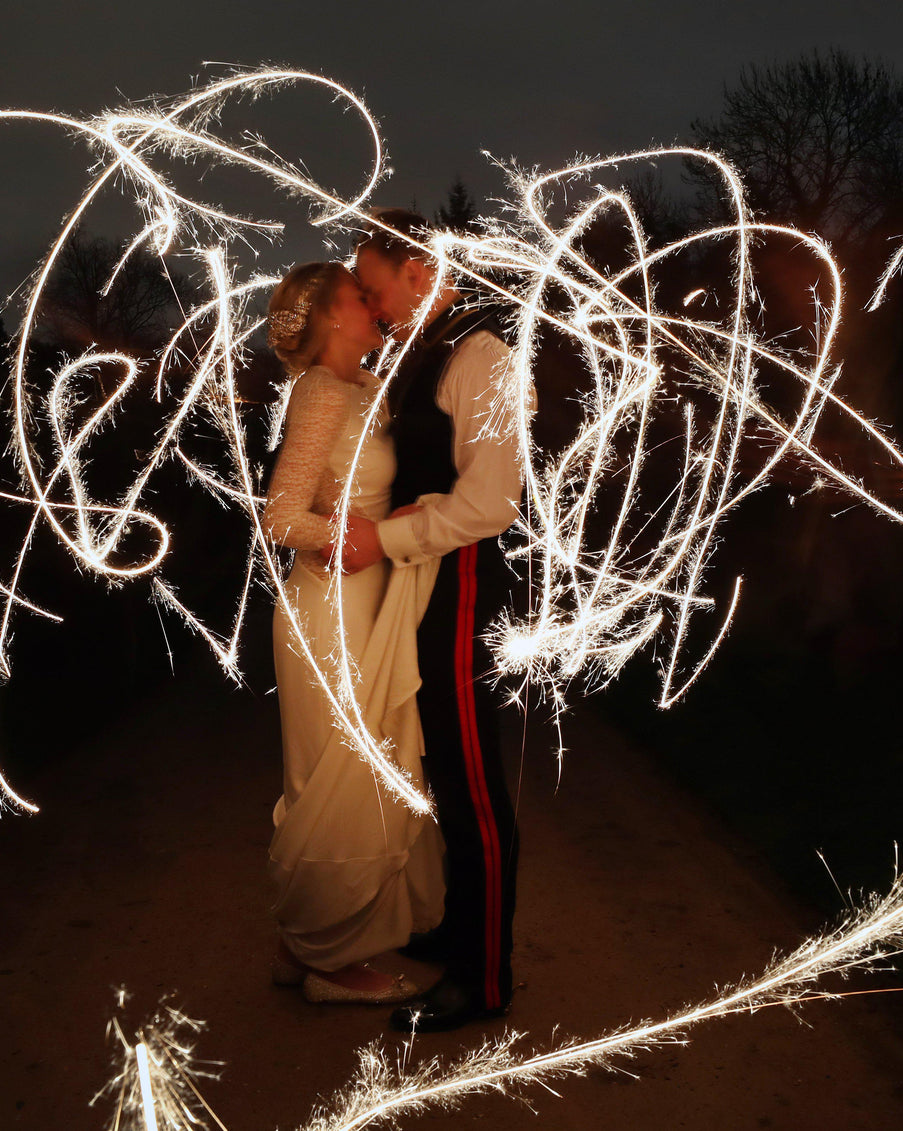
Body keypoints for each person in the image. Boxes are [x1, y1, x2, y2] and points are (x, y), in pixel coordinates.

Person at [339, 208, 525, 1031]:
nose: (369, 305)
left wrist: (383, 538)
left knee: (472, 780)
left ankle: (483, 980)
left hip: (463, 586)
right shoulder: (425, 349)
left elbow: (491, 501)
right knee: (443, 769)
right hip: (428, 584)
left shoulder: (480, 353)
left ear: (418, 268)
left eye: (374, 287)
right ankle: (459, 928)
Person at [261, 262, 445, 1005]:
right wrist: (353, 535)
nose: (372, 306)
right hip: (329, 608)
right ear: (330, 316)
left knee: (354, 772)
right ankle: (331, 963)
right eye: (357, 298)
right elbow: (281, 516)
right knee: (339, 781)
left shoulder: (367, 386)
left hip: (368, 601)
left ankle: (300, 942)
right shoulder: (319, 392)